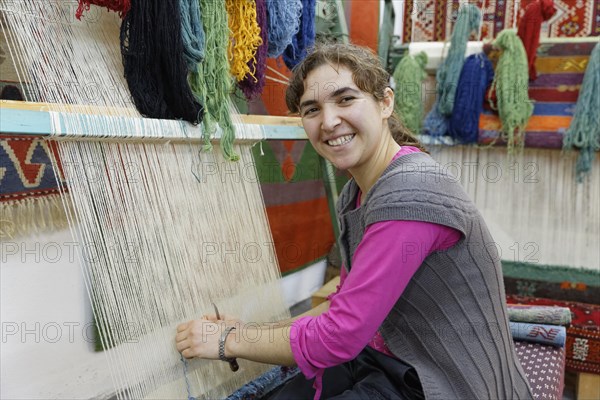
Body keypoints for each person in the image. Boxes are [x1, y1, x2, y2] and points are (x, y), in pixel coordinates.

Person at [176, 42, 534, 399]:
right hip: (390, 358)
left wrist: (228, 341)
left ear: (385, 103)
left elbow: (339, 335)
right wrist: (250, 333)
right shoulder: (358, 192)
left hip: (445, 383)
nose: (329, 121)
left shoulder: (411, 191)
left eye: (346, 100)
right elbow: (341, 307)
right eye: (312, 109)